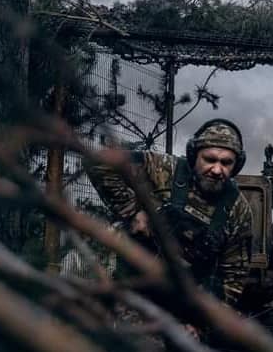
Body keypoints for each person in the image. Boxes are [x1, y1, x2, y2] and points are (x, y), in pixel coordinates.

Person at [87, 119, 253, 307]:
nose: (216, 169)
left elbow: (233, 281)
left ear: (236, 166)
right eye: (209, 159)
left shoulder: (238, 209)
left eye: (226, 163)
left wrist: (201, 324)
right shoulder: (163, 169)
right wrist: (133, 212)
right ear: (193, 156)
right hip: (134, 291)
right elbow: (100, 162)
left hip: (186, 307)